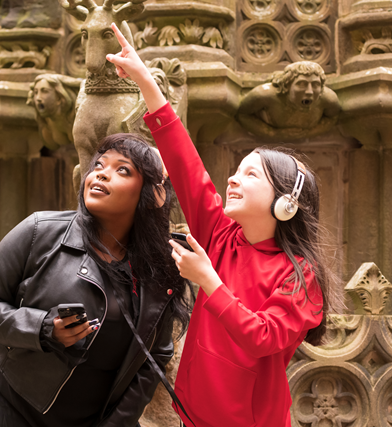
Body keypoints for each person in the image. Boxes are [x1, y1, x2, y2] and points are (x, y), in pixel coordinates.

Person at [106, 23, 340, 427]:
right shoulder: (221, 235)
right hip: (191, 417)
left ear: (286, 204)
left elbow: (262, 336)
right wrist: (146, 81)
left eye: (251, 175)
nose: (232, 179)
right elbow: (185, 163)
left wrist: (208, 280)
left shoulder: (302, 275)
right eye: (236, 170)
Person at [0, 133, 193, 427]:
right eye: (99, 164)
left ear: (152, 195)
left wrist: (116, 423)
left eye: (122, 169)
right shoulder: (39, 231)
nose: (101, 173)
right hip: (6, 392)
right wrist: (44, 327)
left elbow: (154, 356)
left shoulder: (161, 268)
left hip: (85, 415)